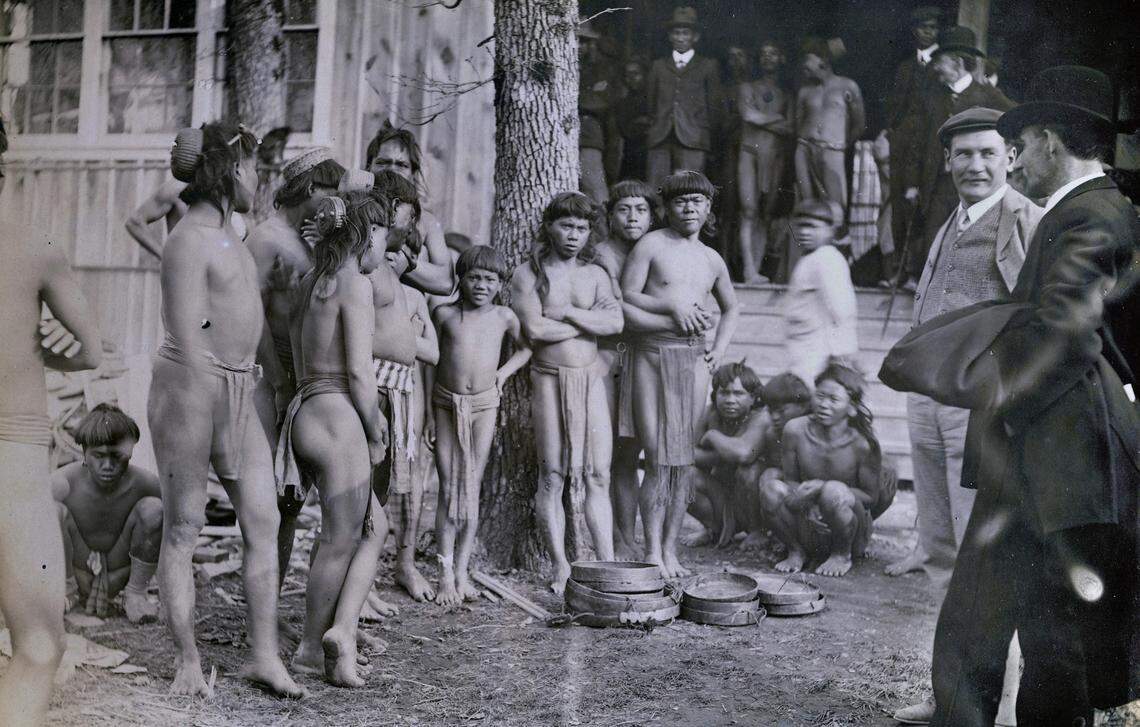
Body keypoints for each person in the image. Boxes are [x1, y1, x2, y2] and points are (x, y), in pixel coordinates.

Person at [881, 65, 1140, 727]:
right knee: (982, 595)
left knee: (1051, 622)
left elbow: (1062, 334)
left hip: (1061, 449)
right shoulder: (1084, 211)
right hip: (1038, 441)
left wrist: (975, 379)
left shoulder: (1095, 215)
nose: (1014, 162)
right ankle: (961, 713)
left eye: (1018, 147)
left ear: (1050, 141)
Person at [888, 107, 1041, 726]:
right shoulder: (950, 221)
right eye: (963, 154)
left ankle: (1004, 703)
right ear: (947, 160)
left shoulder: (1027, 220)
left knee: (986, 557)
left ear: (1011, 158)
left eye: (987, 153)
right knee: (940, 551)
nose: (974, 165)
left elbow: (1038, 320)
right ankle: (948, 690)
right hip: (927, 401)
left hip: (980, 410)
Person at [148, 123, 303, 698]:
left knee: (262, 519)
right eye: (254, 168)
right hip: (190, 387)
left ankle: (263, 655)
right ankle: (188, 661)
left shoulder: (231, 234)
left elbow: (241, 312)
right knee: (185, 525)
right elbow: (188, 333)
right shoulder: (188, 240)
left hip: (236, 387)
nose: (258, 180)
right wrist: (207, 415)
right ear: (231, 170)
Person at [0, 111, 104, 725]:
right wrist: (50, 353)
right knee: (39, 645)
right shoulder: (33, 246)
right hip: (9, 452)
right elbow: (91, 350)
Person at [276, 192, 391, 688]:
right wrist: (375, 425)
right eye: (383, 235)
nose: (385, 247)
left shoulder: (307, 283)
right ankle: (311, 647)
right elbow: (361, 373)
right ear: (366, 235)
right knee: (340, 539)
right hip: (339, 414)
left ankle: (342, 628)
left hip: (305, 410)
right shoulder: (355, 284)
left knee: (372, 527)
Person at [621, 171, 740, 578]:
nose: (689, 208)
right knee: (657, 460)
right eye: (680, 201)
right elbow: (626, 297)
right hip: (652, 356)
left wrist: (718, 350)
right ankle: (651, 550)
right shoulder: (652, 244)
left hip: (693, 360)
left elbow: (732, 308)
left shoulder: (712, 258)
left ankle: (671, 549)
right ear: (667, 208)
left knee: (683, 463)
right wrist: (670, 307)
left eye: (697, 201)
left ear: (708, 208)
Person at [511, 192, 624, 593]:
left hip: (590, 380)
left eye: (582, 228)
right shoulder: (529, 273)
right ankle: (560, 566)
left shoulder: (595, 275)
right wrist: (587, 323)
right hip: (548, 377)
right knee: (553, 475)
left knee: (598, 474)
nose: (574, 235)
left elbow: (615, 323)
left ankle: (607, 564)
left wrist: (570, 315)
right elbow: (535, 329)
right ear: (549, 227)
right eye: (566, 226)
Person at [244, 146, 346, 585]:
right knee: (271, 499)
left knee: (293, 500)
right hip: (274, 377)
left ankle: (274, 597)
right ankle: (261, 606)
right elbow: (252, 318)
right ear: (309, 187)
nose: (334, 202)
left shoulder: (309, 238)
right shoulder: (266, 238)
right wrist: (280, 382)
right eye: (330, 191)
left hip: (307, 379)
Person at [432, 246, 530, 606]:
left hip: (484, 406)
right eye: (474, 277)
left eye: (490, 279)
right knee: (448, 488)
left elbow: (526, 349)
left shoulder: (504, 316)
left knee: (471, 485)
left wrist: (502, 374)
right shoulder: (444, 314)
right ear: (461, 279)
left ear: (500, 284)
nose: (481, 285)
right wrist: (427, 416)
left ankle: (461, 571)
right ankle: (443, 573)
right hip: (445, 404)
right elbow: (430, 363)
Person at [899, 26, 1015, 291]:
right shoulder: (931, 97)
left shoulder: (989, 96)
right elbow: (917, 143)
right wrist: (912, 183)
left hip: (977, 184)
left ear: (958, 62)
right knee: (935, 238)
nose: (936, 68)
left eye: (940, 61)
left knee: (973, 238)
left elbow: (1018, 126)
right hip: (938, 184)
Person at [368, 170, 435, 604]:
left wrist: (406, 341)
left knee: (403, 485)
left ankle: (403, 564)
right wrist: (403, 341)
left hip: (404, 397)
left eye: (405, 253)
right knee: (366, 488)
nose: (395, 257)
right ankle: (363, 584)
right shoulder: (370, 277)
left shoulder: (413, 297)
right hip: (372, 390)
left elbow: (433, 353)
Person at [766, 360, 896, 576]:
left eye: (834, 399)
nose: (824, 405)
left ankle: (841, 556)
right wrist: (807, 502)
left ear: (851, 408)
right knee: (771, 488)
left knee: (833, 490)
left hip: (848, 530)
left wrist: (822, 488)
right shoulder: (795, 430)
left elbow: (870, 498)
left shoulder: (862, 444)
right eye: (820, 396)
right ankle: (796, 551)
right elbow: (790, 479)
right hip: (807, 522)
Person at [53, 404, 162, 624]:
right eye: (99, 456)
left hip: (119, 571)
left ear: (130, 453)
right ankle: (66, 591)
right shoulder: (63, 480)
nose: (108, 465)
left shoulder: (145, 483)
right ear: (84, 453)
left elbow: (178, 528)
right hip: (75, 568)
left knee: (154, 509)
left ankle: (135, 595)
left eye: (116, 456)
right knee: (51, 510)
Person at [595, 180, 656, 559]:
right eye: (624, 209)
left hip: (642, 356)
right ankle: (612, 538)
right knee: (608, 453)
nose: (633, 217)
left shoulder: (655, 249)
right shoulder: (602, 255)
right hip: (607, 356)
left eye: (641, 210)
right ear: (610, 216)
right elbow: (617, 312)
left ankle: (629, 537)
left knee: (631, 453)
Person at [881, 6, 942, 286]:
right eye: (922, 27)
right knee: (898, 206)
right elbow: (895, 107)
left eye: (933, 27)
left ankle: (919, 271)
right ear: (915, 31)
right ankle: (900, 270)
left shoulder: (942, 65)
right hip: (902, 147)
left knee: (922, 207)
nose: (927, 32)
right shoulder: (905, 67)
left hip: (929, 146)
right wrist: (892, 134)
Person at [366, 122, 456, 296]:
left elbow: (445, 283)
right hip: (361, 301)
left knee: (422, 254)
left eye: (401, 165)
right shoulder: (354, 206)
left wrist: (406, 262)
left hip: (406, 305)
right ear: (369, 166)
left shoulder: (426, 221)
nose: (392, 170)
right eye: (383, 162)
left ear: (413, 173)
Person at [686, 361, 768, 548]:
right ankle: (713, 530)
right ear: (715, 395)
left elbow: (744, 454)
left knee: (749, 471)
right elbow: (686, 454)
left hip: (753, 500)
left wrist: (712, 436)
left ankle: (757, 532)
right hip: (722, 492)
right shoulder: (710, 413)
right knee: (683, 475)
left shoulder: (761, 416)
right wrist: (724, 454)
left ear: (753, 397)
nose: (730, 400)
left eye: (738, 393)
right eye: (724, 393)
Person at [783, 199, 858, 389]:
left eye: (812, 227)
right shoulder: (810, 257)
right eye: (801, 226)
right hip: (802, 348)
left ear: (829, 230)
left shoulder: (827, 258)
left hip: (819, 352)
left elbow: (842, 310)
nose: (805, 232)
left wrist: (843, 353)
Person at [645, 6, 723, 186]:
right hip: (660, 136)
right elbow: (650, 103)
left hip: (694, 138)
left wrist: (702, 131)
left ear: (695, 37)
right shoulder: (658, 66)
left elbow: (714, 107)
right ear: (670, 36)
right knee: (656, 188)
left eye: (685, 33)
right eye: (676, 33)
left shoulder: (707, 66)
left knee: (688, 188)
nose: (680, 38)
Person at [738, 40, 792, 283]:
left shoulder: (787, 94)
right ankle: (748, 270)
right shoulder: (747, 88)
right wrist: (777, 118)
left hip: (774, 156)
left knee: (766, 213)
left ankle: (757, 271)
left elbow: (791, 127)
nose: (768, 57)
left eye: (773, 53)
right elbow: (748, 115)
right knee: (749, 210)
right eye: (763, 54)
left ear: (781, 58)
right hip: (749, 153)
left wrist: (762, 119)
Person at [794, 37, 865, 220]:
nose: (803, 65)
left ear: (823, 60)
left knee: (836, 208)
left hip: (833, 151)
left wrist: (840, 145)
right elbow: (798, 123)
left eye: (807, 59)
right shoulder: (805, 91)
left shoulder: (848, 86)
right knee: (806, 205)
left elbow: (859, 124)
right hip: (804, 149)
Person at [124, 176, 248, 259]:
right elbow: (135, 222)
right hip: (190, 278)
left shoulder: (232, 190)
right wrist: (165, 257)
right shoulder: (178, 187)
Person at [577, 21, 614, 205]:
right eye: (576, 40)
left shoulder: (600, 69)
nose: (578, 46)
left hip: (588, 133)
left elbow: (599, 102)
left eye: (583, 41)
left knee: (594, 188)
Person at [614, 57, 652, 182]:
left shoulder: (654, 99)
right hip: (632, 154)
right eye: (627, 75)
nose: (631, 78)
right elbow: (625, 129)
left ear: (645, 74)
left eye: (636, 73)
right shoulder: (624, 102)